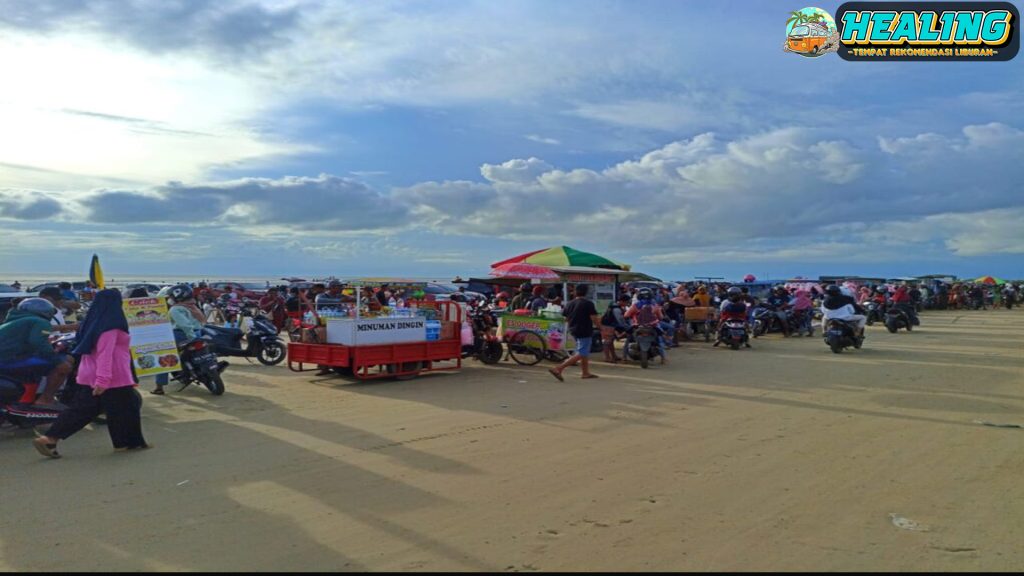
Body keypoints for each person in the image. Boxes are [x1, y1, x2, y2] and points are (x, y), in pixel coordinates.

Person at [33, 289, 149, 458]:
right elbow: (105, 354)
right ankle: (128, 443)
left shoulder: (91, 322)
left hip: (89, 373)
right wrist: (103, 380)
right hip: (112, 376)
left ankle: (50, 438)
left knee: (84, 409)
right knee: (125, 407)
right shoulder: (111, 325)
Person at [0, 298, 75, 407]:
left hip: (7, 358)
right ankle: (46, 400)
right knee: (64, 365)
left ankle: (34, 396)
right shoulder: (39, 321)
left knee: (65, 359)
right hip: (9, 361)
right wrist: (57, 360)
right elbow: (38, 342)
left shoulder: (15, 320)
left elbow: (26, 342)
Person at [151, 284, 206, 395]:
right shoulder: (192, 306)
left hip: (183, 335)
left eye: (169, 297)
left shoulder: (174, 309)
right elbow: (200, 322)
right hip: (198, 333)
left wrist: (192, 339)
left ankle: (159, 387)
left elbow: (185, 326)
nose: (168, 300)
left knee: (163, 355)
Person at [548, 284, 600, 381]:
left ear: (575, 292)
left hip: (573, 329)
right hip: (585, 330)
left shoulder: (570, 303)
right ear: (586, 292)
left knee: (583, 351)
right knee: (582, 352)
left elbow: (566, 318)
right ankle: (559, 368)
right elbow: (594, 318)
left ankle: (585, 373)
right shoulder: (588, 304)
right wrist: (600, 327)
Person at [624, 287, 668, 364]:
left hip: (637, 326)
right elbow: (661, 317)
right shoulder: (655, 306)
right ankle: (663, 358)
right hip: (653, 326)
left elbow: (626, 315)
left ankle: (624, 357)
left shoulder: (635, 306)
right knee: (660, 341)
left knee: (628, 340)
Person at [600, 294, 631, 363]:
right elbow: (620, 320)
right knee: (607, 342)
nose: (627, 304)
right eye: (626, 302)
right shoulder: (617, 309)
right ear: (622, 301)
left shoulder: (614, 305)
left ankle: (614, 356)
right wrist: (627, 327)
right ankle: (607, 357)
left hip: (609, 325)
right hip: (607, 325)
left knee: (611, 342)